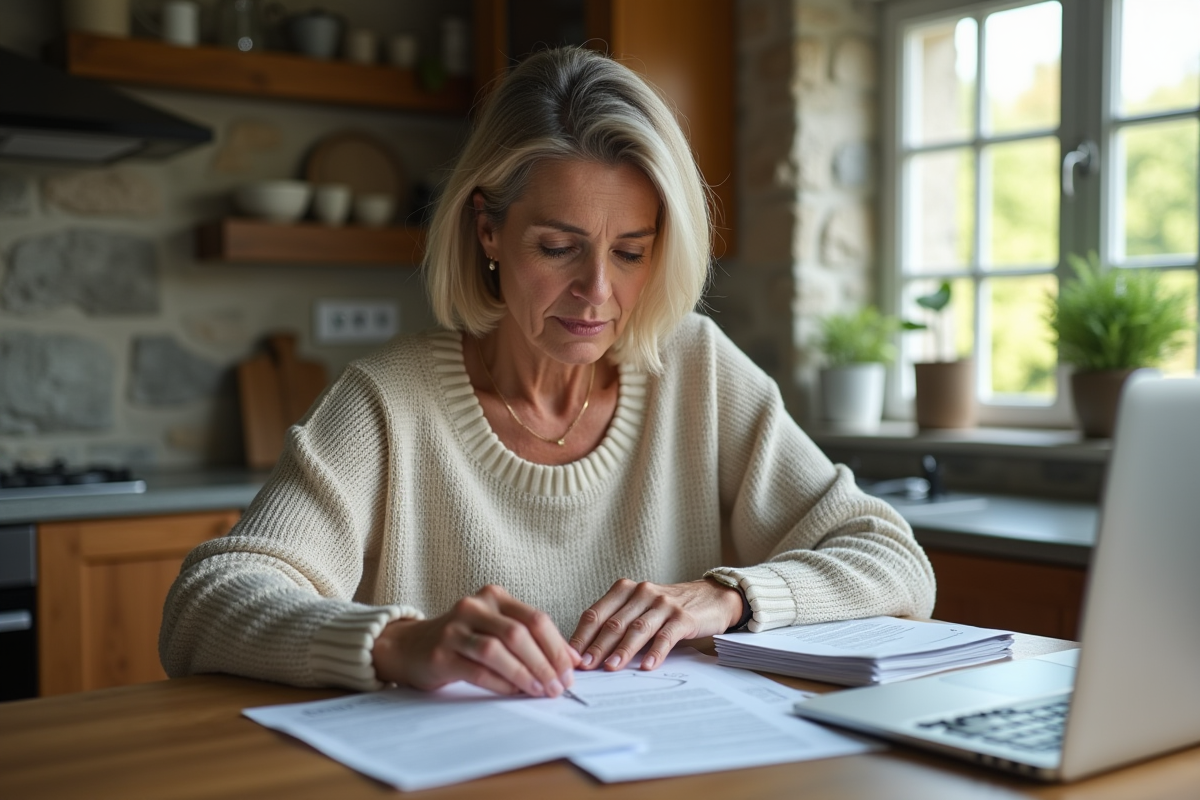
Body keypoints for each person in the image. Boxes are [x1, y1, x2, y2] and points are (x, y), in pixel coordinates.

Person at [160, 47, 935, 700]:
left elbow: (896, 563)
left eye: (631, 251)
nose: (599, 293)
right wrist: (395, 642)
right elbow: (204, 605)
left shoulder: (694, 367)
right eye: (559, 248)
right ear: (489, 228)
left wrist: (727, 596)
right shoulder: (387, 403)